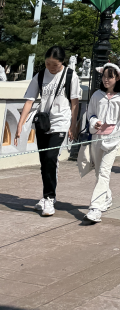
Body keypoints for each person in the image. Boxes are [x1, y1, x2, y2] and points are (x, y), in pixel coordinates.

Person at [15, 46, 81, 216]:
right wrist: (20, 124)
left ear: (62, 62)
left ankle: (49, 198)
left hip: (60, 122)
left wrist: (73, 125)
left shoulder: (70, 75)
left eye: (55, 65)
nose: (51, 67)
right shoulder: (40, 75)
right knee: (44, 161)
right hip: (43, 122)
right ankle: (47, 196)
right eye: (48, 64)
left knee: (51, 157)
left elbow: (74, 103)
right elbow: (29, 101)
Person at [84, 63, 120, 223]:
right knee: (98, 172)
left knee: (104, 172)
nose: (106, 80)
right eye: (104, 76)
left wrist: (115, 136)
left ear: (117, 78)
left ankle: (95, 208)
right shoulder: (97, 95)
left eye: (109, 77)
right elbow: (90, 113)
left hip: (113, 140)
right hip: (97, 138)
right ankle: (107, 197)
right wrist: (94, 122)